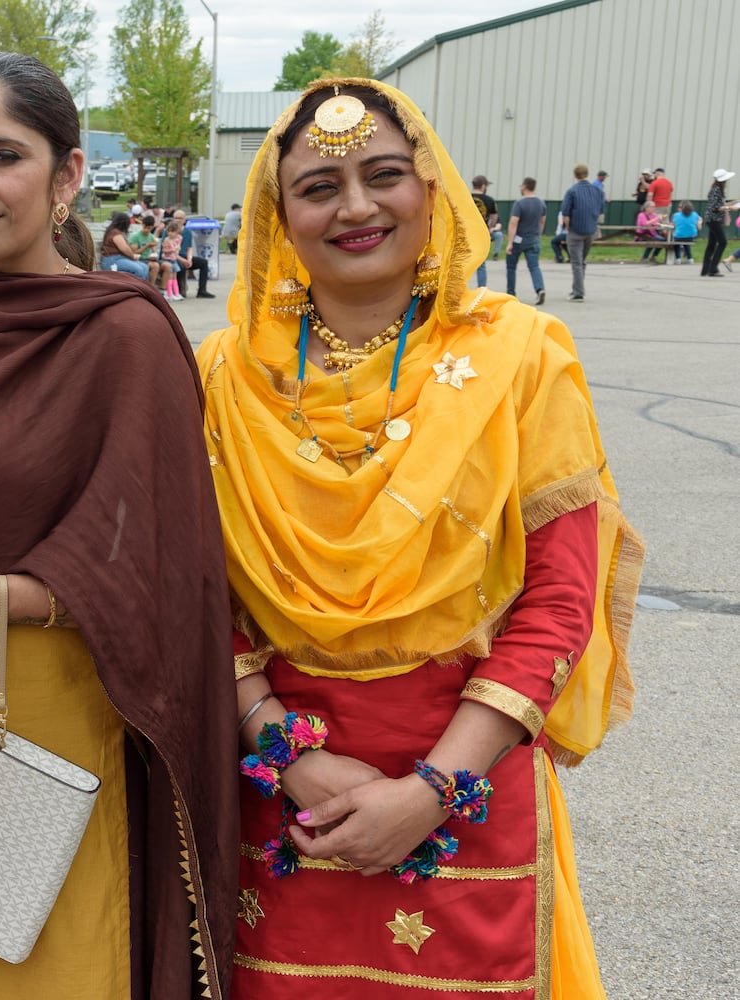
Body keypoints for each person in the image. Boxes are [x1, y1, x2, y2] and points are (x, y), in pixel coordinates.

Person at [199, 78, 643, 999]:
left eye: (384, 175)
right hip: (281, 792)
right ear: (279, 215)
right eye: (319, 187)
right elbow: (198, 595)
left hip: (466, 774)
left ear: (431, 187)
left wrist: (433, 790)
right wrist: (290, 757)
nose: (356, 207)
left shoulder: (521, 354)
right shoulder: (222, 374)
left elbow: (562, 597)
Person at [0, 52, 236, 1000]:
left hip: (50, 706)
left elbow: (160, 554)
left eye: (3, 155)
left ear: (67, 174)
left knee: (45, 959)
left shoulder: (123, 331)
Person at [559, 164, 603, 300]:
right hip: (591, 229)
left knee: (576, 262)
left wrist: (567, 227)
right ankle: (577, 288)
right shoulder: (597, 191)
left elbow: (566, 213)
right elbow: (601, 213)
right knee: (582, 261)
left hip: (576, 230)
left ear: (575, 175)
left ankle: (578, 292)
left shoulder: (572, 191)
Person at [505, 177, 546, 304]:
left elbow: (514, 222)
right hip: (533, 238)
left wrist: (510, 242)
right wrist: (538, 234)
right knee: (534, 266)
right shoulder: (541, 203)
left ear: (525, 187)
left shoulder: (519, 203)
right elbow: (542, 221)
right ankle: (540, 289)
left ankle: (511, 292)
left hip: (519, 239)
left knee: (511, 266)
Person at [171, 208, 216, 298]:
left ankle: (202, 290)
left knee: (203, 263)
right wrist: (183, 260)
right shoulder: (169, 231)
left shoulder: (187, 232)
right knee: (181, 265)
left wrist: (189, 259)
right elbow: (170, 251)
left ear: (184, 220)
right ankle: (179, 290)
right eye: (176, 218)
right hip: (173, 257)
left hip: (184, 256)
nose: (177, 220)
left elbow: (189, 248)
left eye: (180, 218)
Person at [699, 168, 736, 277]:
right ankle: (713, 268)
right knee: (723, 242)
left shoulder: (715, 189)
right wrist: (730, 207)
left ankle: (705, 270)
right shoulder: (716, 190)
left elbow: (720, 204)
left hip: (712, 220)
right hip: (714, 220)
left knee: (711, 245)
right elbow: (716, 207)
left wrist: (734, 202)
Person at [97, 210, 147, 277]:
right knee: (138, 269)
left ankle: (142, 287)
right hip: (112, 260)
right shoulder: (115, 232)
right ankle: (134, 287)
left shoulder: (115, 231)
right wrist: (133, 256)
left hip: (120, 259)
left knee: (145, 267)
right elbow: (124, 249)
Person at [469, 175, 499, 287]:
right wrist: (490, 227)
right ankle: (481, 288)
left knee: (462, 261)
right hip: (481, 233)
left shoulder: (465, 197)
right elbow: (494, 217)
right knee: (481, 263)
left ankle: (458, 289)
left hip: (466, 233)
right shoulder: (490, 200)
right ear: (483, 186)